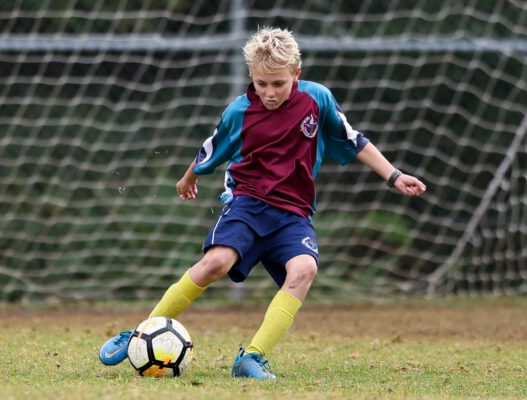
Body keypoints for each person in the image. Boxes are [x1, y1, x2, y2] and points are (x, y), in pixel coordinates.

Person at [99, 27, 426, 379]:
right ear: (251, 78)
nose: (268, 93)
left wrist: (394, 175)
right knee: (216, 263)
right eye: (260, 84)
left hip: (293, 214)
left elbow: (354, 140)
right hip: (247, 204)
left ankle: (251, 358)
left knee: (305, 269)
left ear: (296, 75)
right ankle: (140, 332)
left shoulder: (318, 100)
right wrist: (189, 177)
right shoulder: (239, 112)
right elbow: (211, 148)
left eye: (278, 84)